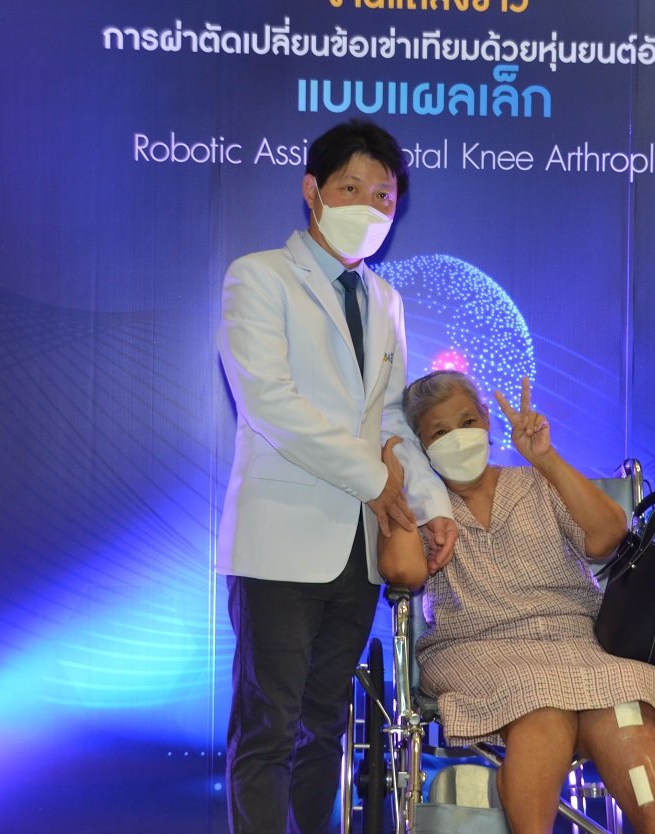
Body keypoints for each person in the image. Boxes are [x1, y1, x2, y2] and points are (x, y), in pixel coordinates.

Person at [216, 119, 456, 834]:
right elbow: (269, 402)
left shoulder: (385, 299)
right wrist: (375, 482)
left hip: (360, 550)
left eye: (383, 196)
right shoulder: (258, 276)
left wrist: (431, 502)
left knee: (324, 725)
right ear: (312, 191)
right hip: (281, 544)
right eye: (351, 188)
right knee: (268, 726)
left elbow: (391, 416)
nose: (369, 206)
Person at [378, 370, 655, 834]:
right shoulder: (428, 509)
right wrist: (395, 484)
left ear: (486, 420)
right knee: (540, 709)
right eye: (440, 432)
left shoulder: (536, 482)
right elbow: (402, 572)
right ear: (421, 445)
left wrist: (546, 458)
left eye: (467, 421)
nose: (458, 437)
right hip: (475, 647)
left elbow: (609, 536)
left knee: (626, 710)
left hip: (577, 639)